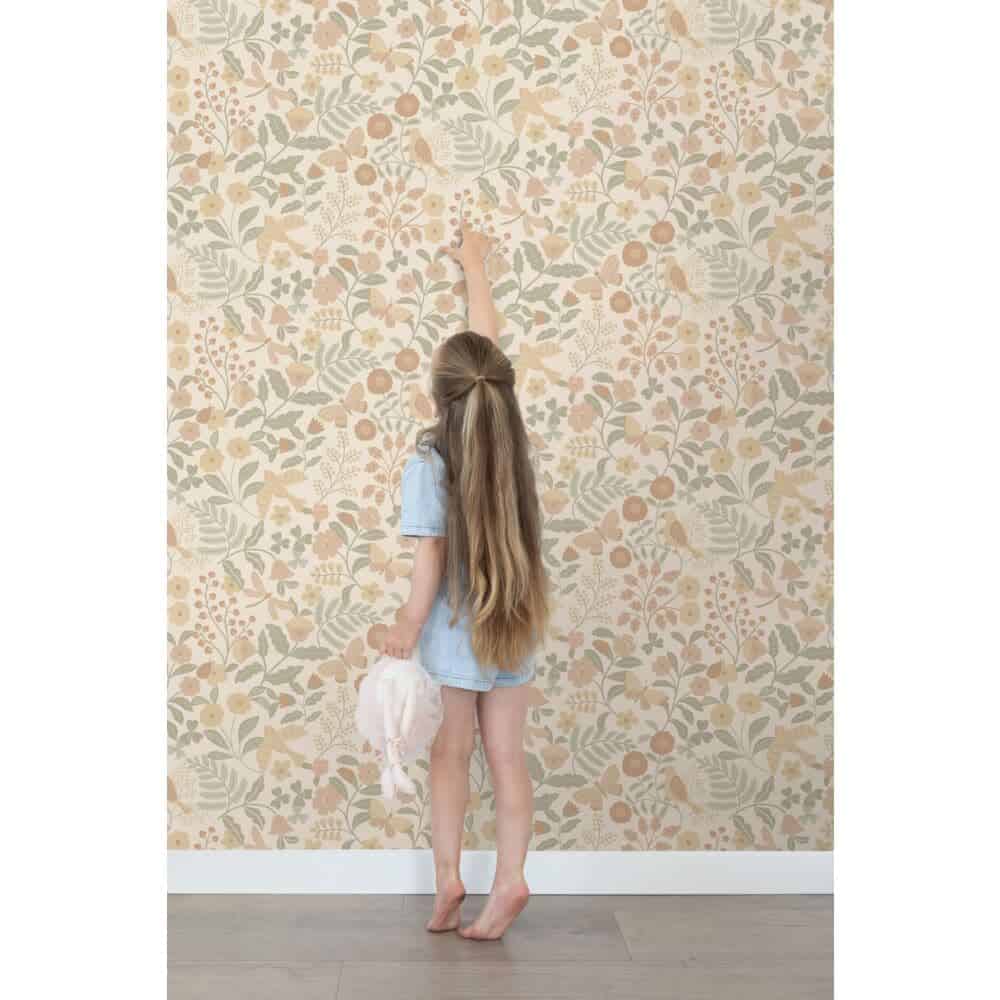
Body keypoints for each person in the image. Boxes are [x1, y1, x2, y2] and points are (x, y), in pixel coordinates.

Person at [377, 226, 550, 940]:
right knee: (508, 758)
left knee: (451, 755)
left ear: (438, 395)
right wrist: (476, 267)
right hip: (514, 619)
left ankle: (449, 878)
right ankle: (510, 880)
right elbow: (486, 356)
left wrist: (405, 626)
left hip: (453, 633)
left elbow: (430, 558)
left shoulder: (430, 461)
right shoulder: (507, 437)